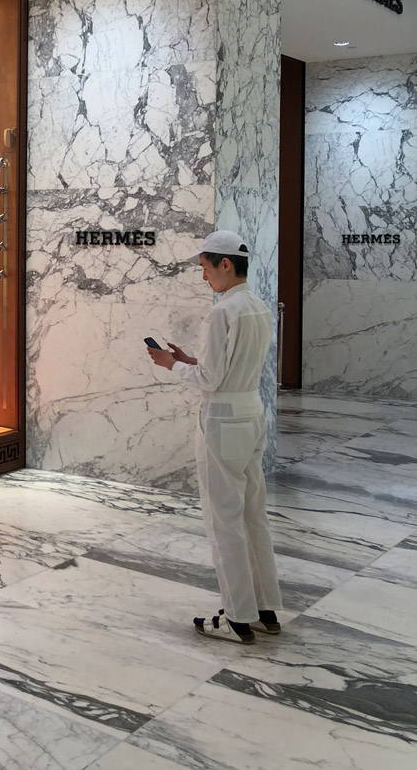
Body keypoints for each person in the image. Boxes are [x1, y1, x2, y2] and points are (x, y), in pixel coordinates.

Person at [147, 230, 282, 645]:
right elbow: (228, 366)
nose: (204, 276)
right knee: (253, 515)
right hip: (252, 413)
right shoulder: (259, 307)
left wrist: (171, 364)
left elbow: (209, 379)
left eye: (206, 268)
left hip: (222, 420)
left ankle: (237, 617)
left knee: (223, 521)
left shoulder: (221, 313)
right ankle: (264, 610)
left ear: (226, 264)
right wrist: (191, 358)